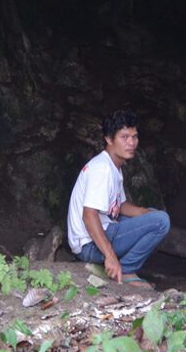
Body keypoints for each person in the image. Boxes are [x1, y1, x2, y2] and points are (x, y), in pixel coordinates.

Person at [67, 109, 170, 289]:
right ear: (109, 139)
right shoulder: (102, 169)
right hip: (88, 245)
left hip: (101, 232)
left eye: (134, 137)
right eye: (124, 137)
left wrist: (145, 213)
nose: (131, 143)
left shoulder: (113, 166)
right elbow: (89, 216)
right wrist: (110, 256)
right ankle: (127, 269)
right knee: (162, 221)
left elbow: (119, 206)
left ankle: (123, 263)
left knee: (153, 216)